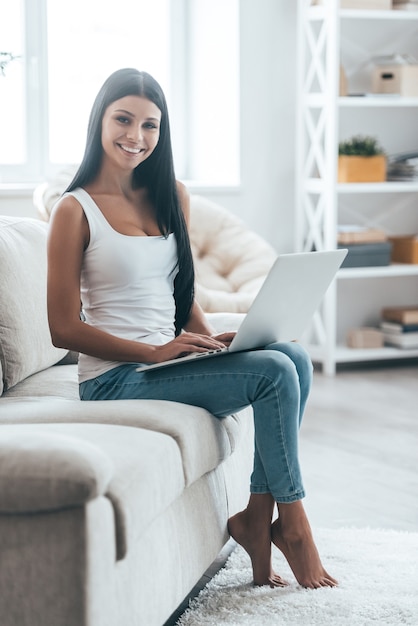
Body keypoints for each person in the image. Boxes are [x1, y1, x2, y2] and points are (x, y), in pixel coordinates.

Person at [47, 68, 337, 589]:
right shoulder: (74, 209)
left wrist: (207, 339)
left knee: (289, 355)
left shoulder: (171, 194)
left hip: (169, 359)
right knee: (273, 373)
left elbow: (180, 293)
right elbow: (62, 327)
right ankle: (293, 525)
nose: (136, 136)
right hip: (114, 379)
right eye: (124, 119)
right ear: (99, 122)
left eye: (150, 125)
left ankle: (254, 517)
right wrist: (153, 352)